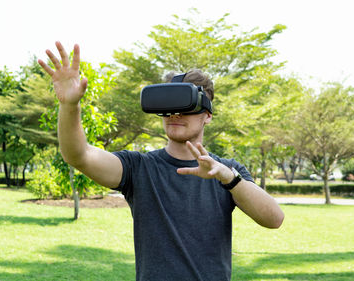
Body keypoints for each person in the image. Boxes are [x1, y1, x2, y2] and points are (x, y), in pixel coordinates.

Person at [38, 41, 284, 281]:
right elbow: (78, 155)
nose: (174, 115)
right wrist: (70, 106)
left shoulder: (229, 173)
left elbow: (274, 219)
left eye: (185, 106)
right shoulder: (139, 168)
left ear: (207, 115)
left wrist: (228, 178)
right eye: (167, 106)